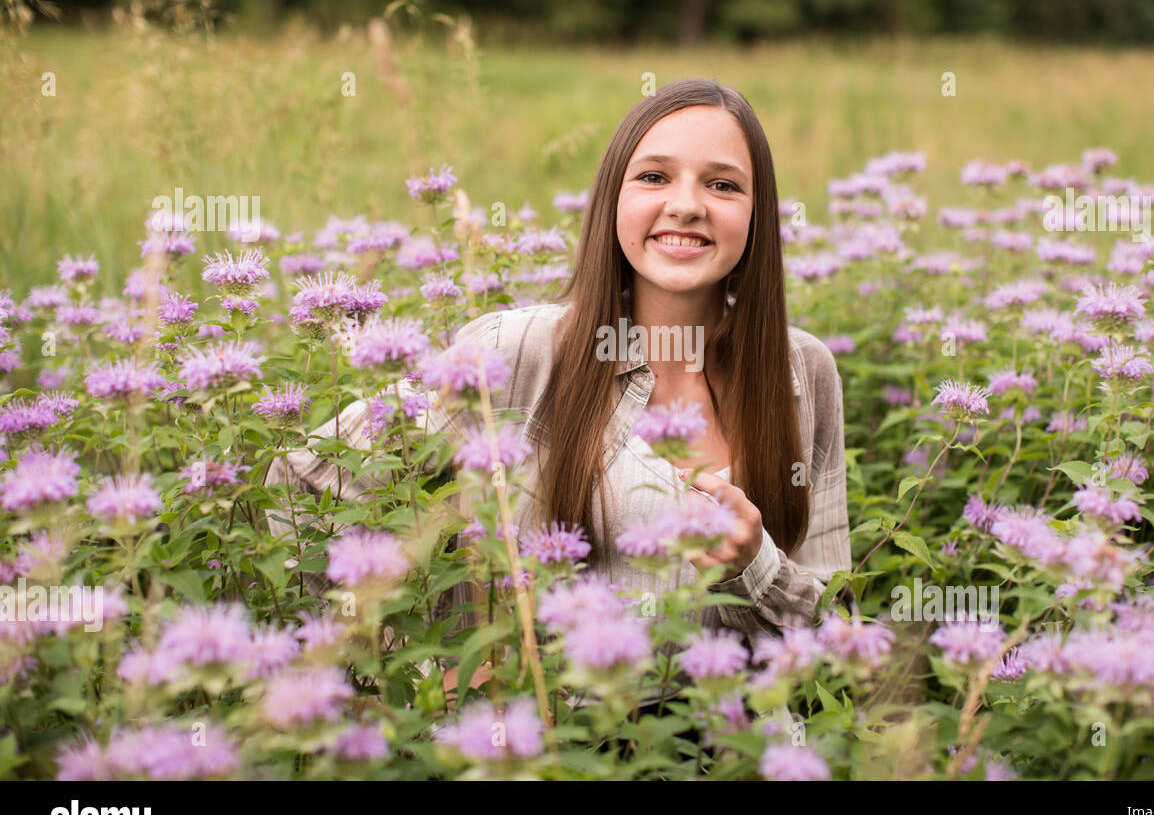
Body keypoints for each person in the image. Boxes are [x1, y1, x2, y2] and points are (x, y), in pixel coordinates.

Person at [264, 77, 851, 700]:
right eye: (654, 177)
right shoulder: (510, 353)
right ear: (610, 202)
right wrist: (411, 680)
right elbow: (307, 484)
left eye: (723, 184)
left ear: (758, 213)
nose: (687, 205)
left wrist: (752, 565)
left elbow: (833, 632)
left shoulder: (800, 371)